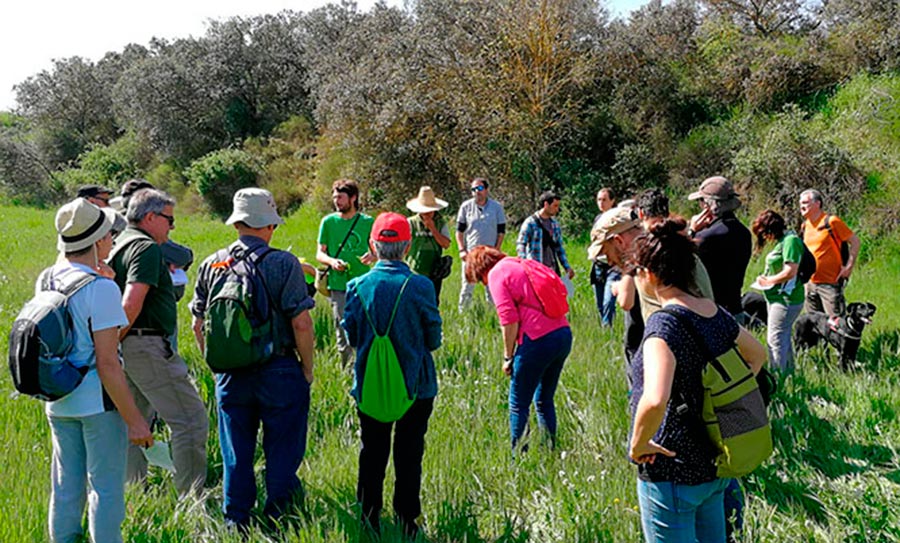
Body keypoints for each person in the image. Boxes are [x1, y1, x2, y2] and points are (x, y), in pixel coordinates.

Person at [626, 218, 767, 543]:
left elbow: (655, 398)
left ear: (648, 274)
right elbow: (757, 355)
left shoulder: (663, 326)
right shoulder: (711, 310)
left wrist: (639, 442)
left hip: (671, 467)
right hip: (714, 458)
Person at [190, 188, 315, 529]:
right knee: (282, 451)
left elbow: (197, 325)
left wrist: (218, 366)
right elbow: (301, 322)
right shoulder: (283, 263)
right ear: (270, 226)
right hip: (280, 371)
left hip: (230, 377)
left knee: (236, 454)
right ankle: (280, 520)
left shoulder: (211, 264)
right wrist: (306, 368)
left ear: (237, 223)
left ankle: (237, 522)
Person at [44, 198, 152, 543]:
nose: (111, 240)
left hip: (58, 398)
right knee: (105, 488)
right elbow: (107, 364)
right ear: (97, 242)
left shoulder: (47, 278)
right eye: (107, 234)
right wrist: (135, 419)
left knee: (65, 486)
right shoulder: (102, 289)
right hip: (98, 403)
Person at [341, 212, 442, 538]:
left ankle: (369, 519)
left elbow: (352, 337)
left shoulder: (358, 286)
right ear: (407, 245)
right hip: (417, 385)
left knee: (372, 453)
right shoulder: (421, 285)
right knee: (409, 456)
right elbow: (434, 340)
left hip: (371, 384)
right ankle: (407, 522)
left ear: (373, 244)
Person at [109, 188, 208, 496]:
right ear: (150, 217)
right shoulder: (146, 248)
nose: (172, 227)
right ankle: (191, 502)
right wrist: (109, 348)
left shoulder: (119, 243)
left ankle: (133, 495)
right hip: (147, 346)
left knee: (132, 423)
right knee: (191, 421)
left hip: (129, 348)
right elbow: (131, 302)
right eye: (169, 220)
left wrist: (111, 348)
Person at [464, 246, 572, 451]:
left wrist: (508, 357)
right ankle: (551, 451)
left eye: (480, 280)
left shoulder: (497, 274)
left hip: (537, 340)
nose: (483, 284)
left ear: (480, 270)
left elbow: (509, 321)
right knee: (544, 400)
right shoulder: (522, 264)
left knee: (518, 404)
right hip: (563, 334)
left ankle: (519, 460)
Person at [316, 179, 376, 366]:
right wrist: (332, 261)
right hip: (338, 285)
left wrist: (373, 256)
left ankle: (365, 368)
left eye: (341, 198)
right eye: (335, 198)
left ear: (353, 198)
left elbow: (377, 250)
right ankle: (347, 371)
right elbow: (320, 253)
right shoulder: (328, 222)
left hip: (363, 284)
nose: (337, 202)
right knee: (342, 330)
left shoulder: (367, 222)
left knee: (366, 328)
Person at [587, 205, 645, 374]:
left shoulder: (642, 265)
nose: (610, 262)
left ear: (619, 241)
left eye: (607, 252)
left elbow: (626, 303)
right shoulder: (656, 255)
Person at [687, 177, 752, 317]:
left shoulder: (704, 238)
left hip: (710, 312)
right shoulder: (744, 232)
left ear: (707, 206)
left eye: (701, 201)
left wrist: (691, 231)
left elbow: (678, 261)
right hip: (735, 309)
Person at [752, 209, 805, 374]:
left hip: (786, 299)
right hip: (776, 297)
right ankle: (788, 373)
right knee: (783, 338)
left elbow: (791, 271)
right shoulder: (782, 241)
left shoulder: (791, 241)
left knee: (774, 340)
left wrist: (769, 281)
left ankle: (777, 375)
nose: (765, 238)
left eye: (764, 233)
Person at [799, 188, 861, 317]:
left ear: (817, 204)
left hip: (830, 283)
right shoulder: (805, 226)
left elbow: (855, 242)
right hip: (809, 284)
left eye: (805, 202)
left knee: (836, 324)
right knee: (814, 325)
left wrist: (848, 267)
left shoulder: (831, 222)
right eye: (800, 203)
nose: (801, 205)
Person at [456, 178, 507, 311]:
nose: (476, 192)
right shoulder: (466, 207)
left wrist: (496, 250)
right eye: (473, 189)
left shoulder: (497, 208)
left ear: (486, 190)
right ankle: (464, 316)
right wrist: (462, 250)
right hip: (471, 256)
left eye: (479, 189)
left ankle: (492, 317)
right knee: (467, 288)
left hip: (489, 255)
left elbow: (501, 231)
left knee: (492, 289)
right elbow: (459, 232)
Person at [405, 186, 452, 303]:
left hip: (434, 273)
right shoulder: (410, 223)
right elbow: (404, 245)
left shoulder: (440, 223)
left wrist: (433, 229)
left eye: (430, 210)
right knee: (413, 303)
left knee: (432, 303)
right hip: (414, 271)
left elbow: (446, 244)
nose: (427, 213)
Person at [516, 190, 575, 279]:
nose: (557, 209)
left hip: (552, 269)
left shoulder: (555, 224)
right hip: (535, 270)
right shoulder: (530, 223)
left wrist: (567, 267)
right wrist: (524, 264)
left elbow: (559, 248)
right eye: (555, 206)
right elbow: (521, 244)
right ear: (546, 204)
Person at [590, 188, 621, 327]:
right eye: (599, 200)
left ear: (612, 201)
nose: (601, 203)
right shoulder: (597, 219)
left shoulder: (618, 219)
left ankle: (607, 328)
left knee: (608, 302)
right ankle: (606, 331)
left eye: (604, 200)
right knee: (599, 304)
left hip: (613, 266)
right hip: (598, 265)